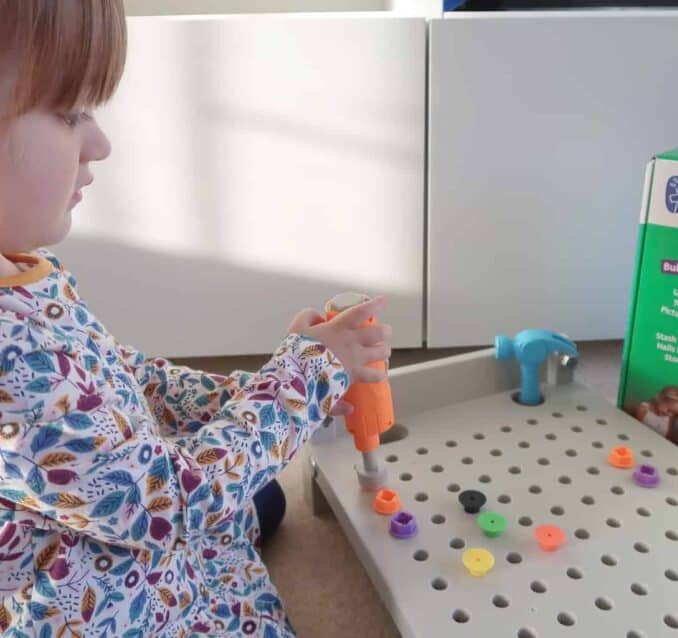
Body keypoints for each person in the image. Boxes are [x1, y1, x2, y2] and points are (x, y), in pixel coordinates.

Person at [0, 2, 391, 635]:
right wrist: (300, 383)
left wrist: (260, 389)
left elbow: (123, 377)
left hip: (111, 505)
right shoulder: (8, 359)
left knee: (255, 493)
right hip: (92, 594)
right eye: (71, 114)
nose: (100, 142)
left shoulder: (21, 267)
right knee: (221, 508)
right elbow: (170, 504)